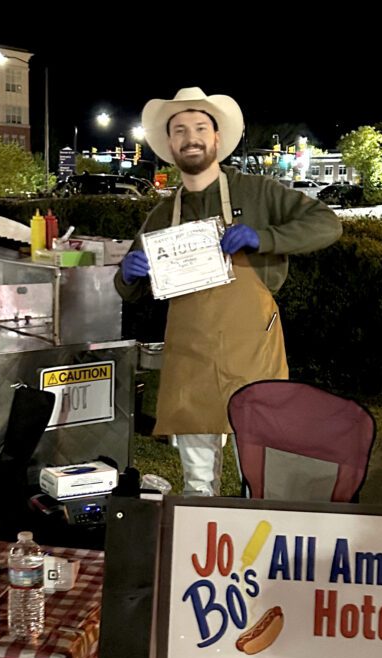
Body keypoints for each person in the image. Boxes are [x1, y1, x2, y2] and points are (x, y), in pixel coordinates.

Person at [114, 87, 342, 496]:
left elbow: (327, 224)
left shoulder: (258, 192)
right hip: (191, 360)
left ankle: (262, 552)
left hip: (252, 353)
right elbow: (125, 289)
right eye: (180, 130)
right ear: (170, 144)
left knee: (262, 477)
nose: (191, 137)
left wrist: (264, 237)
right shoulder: (163, 215)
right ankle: (205, 554)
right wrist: (129, 274)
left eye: (201, 127)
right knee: (199, 486)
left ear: (217, 138)